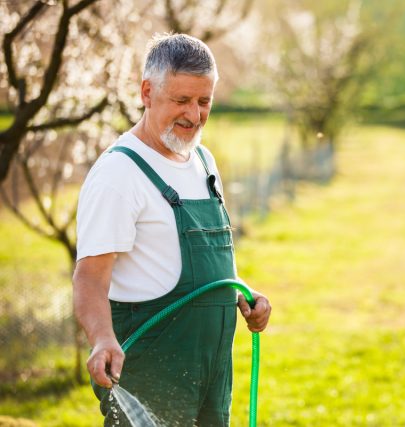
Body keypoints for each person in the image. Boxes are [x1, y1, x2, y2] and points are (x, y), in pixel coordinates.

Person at [72, 33, 271, 427]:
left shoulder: (203, 161)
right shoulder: (120, 173)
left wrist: (239, 291)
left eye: (204, 101)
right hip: (151, 375)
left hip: (212, 375)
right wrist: (101, 339)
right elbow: (89, 277)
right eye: (181, 100)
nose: (194, 115)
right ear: (147, 92)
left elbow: (185, 263)